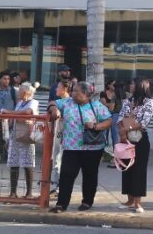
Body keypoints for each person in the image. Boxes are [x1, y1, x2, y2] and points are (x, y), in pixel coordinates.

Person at [47, 81, 112, 213]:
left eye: (77, 91)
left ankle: (87, 202)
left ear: (86, 94)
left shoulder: (97, 106)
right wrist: (54, 109)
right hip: (71, 147)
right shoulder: (67, 102)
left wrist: (95, 126)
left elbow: (109, 121)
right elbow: (53, 102)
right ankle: (61, 204)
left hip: (93, 148)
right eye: (73, 90)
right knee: (66, 175)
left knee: (90, 175)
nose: (73, 93)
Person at [117, 77, 153, 214]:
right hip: (126, 137)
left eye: (133, 84)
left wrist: (126, 129)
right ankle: (129, 200)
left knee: (139, 170)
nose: (131, 86)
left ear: (140, 86)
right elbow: (120, 117)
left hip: (140, 139)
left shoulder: (149, 102)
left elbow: (143, 122)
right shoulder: (128, 100)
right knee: (126, 168)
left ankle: (137, 202)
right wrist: (122, 132)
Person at [2, 82, 38, 199]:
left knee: (28, 164)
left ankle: (29, 193)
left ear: (26, 92)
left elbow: (28, 113)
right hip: (15, 136)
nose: (17, 92)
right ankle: (13, 192)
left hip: (26, 135)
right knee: (14, 163)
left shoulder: (33, 102)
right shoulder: (20, 103)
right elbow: (18, 116)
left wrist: (10, 113)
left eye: (20, 90)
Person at [49, 80, 72, 196]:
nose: (56, 89)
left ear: (65, 89)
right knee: (57, 157)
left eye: (58, 87)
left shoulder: (70, 102)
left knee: (59, 157)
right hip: (60, 132)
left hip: (66, 133)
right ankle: (56, 184)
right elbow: (52, 105)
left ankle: (58, 185)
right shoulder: (58, 102)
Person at [0, 70, 17, 165]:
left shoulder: (13, 91)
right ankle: (3, 157)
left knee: (9, 139)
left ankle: (11, 157)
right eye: (4, 79)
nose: (7, 81)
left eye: (8, 79)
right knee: (0, 138)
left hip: (10, 119)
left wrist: (13, 118)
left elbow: (17, 106)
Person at [100, 79, 125, 168]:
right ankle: (122, 159)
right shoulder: (126, 96)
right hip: (124, 118)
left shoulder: (115, 96)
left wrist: (109, 105)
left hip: (116, 116)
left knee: (115, 139)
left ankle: (116, 161)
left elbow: (111, 108)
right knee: (122, 138)